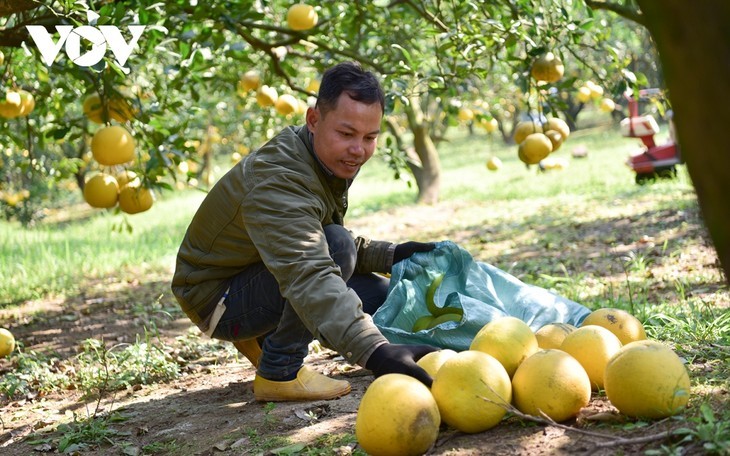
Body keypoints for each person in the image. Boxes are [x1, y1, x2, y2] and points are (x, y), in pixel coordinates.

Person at [171, 61, 439, 402]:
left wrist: (390, 254)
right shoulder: (278, 177)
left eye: (369, 137)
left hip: (262, 270)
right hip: (219, 300)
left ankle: (266, 338)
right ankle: (279, 371)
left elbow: (311, 234)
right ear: (314, 120)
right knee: (338, 249)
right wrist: (375, 353)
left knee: (387, 300)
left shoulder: (322, 159)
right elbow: (309, 269)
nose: (359, 149)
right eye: (346, 134)